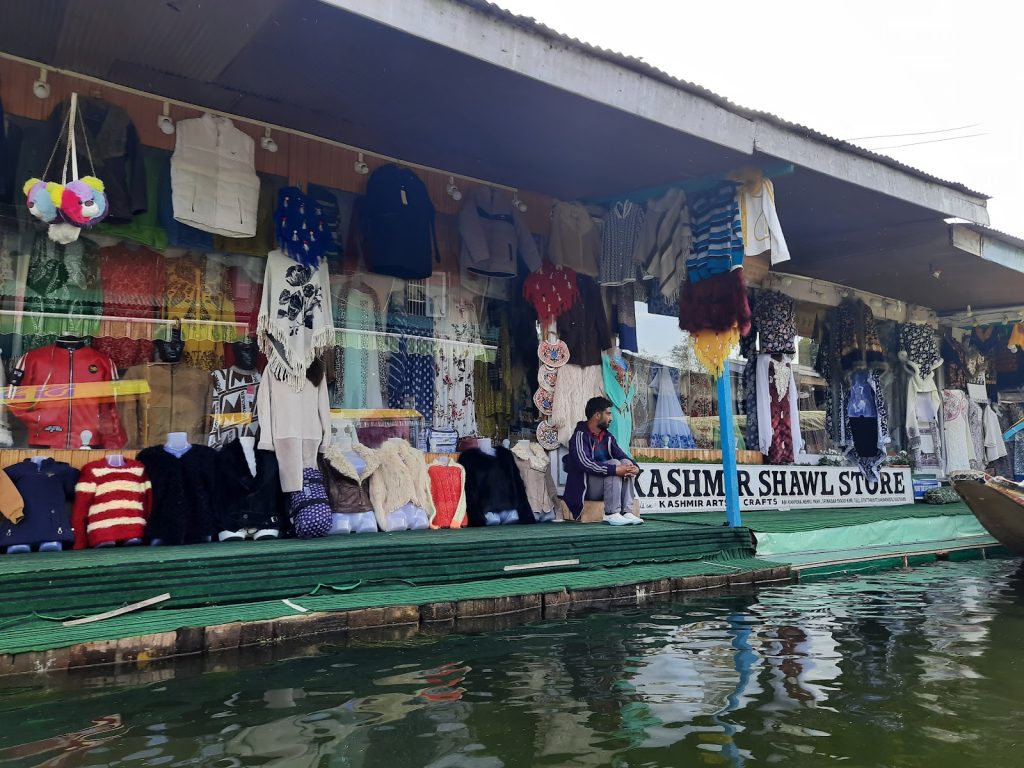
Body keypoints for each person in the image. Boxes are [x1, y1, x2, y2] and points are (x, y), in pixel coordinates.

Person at [564, 396, 643, 525]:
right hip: (585, 488)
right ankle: (611, 514)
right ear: (597, 415)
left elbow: (622, 455)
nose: (611, 418)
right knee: (614, 464)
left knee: (625, 463)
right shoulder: (579, 436)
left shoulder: (607, 437)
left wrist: (634, 467)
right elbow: (585, 463)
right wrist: (614, 469)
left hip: (605, 487)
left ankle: (626, 512)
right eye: (608, 414)